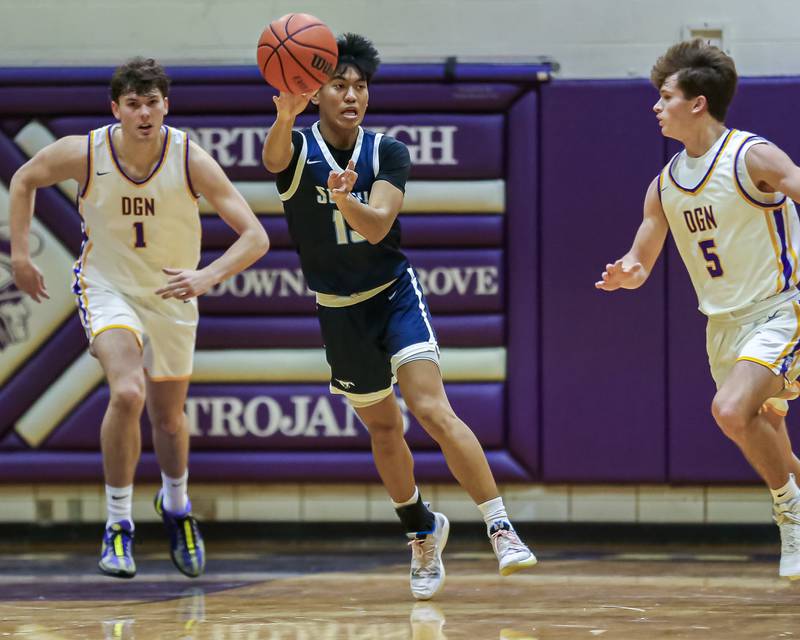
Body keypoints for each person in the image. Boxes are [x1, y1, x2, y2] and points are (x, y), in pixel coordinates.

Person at [262, 33, 536, 600]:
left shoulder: (389, 150)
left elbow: (378, 224)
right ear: (317, 91)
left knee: (433, 409)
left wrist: (344, 199)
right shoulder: (297, 146)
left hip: (392, 294)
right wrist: (285, 113)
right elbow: (272, 159)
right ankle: (421, 532)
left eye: (361, 86)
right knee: (385, 430)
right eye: (339, 84)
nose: (352, 95)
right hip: (340, 311)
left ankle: (500, 526)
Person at [9, 57, 269, 578]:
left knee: (169, 420)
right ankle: (118, 524)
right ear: (116, 109)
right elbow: (23, 179)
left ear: (166, 106)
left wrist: (206, 276)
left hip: (172, 294)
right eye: (134, 104)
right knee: (128, 392)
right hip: (107, 287)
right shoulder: (87, 153)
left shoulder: (189, 158)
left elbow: (256, 236)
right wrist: (19, 255)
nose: (144, 113)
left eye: (153, 103)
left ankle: (176, 506)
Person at [596, 39, 800, 578]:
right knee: (759, 427)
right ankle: (796, 500)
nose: (655, 106)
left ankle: (791, 517)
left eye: (665, 96)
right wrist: (627, 273)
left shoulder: (752, 155)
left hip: (780, 310)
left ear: (698, 103)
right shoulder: (664, 184)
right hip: (723, 327)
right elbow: (642, 258)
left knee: (730, 411)